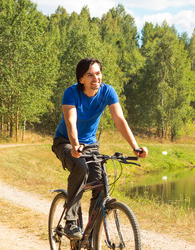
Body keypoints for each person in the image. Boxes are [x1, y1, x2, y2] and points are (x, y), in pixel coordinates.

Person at [52, 57, 148, 240]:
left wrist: (135, 147)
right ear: (81, 79)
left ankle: (91, 234)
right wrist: (74, 146)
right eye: (90, 75)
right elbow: (70, 122)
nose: (95, 78)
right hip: (65, 141)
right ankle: (71, 222)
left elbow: (119, 119)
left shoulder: (108, 92)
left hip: (90, 144)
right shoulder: (71, 93)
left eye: (98, 73)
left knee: (101, 185)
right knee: (80, 167)